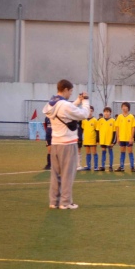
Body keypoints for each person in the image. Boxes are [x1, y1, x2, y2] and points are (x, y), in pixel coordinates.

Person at [42, 79, 90, 209]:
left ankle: (54, 201)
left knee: (55, 174)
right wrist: (85, 100)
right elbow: (84, 114)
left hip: (55, 143)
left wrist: (77, 101)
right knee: (68, 174)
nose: (71, 94)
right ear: (65, 90)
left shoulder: (52, 104)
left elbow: (64, 110)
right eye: (70, 91)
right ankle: (66, 202)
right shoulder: (65, 105)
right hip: (68, 144)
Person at [114, 102, 135, 172]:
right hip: (121, 138)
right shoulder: (119, 116)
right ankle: (121, 166)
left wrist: (131, 138)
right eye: (123, 106)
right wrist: (118, 137)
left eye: (125, 106)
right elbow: (117, 128)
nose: (124, 108)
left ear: (128, 108)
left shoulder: (131, 117)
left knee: (130, 152)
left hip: (128, 138)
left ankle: (132, 167)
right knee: (122, 152)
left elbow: (133, 128)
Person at [97, 107, 116, 172]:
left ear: (110, 113)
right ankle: (103, 166)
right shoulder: (100, 120)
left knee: (110, 152)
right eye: (105, 112)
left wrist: (113, 141)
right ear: (103, 112)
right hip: (102, 140)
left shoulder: (113, 121)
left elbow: (114, 132)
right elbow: (98, 131)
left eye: (108, 112)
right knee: (103, 152)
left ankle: (110, 166)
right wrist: (98, 140)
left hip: (109, 140)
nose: (106, 113)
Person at [80, 106, 99, 171]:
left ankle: (96, 166)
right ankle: (88, 166)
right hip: (86, 139)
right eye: (88, 110)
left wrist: (97, 139)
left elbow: (97, 130)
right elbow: (82, 129)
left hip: (92, 139)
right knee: (87, 152)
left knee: (94, 152)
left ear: (92, 111)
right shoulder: (84, 120)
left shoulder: (95, 120)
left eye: (91, 111)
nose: (89, 112)